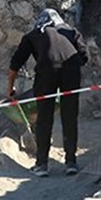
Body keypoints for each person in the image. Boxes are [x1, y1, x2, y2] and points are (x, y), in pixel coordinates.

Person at [6, 9, 89, 177]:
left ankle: (42, 165)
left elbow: (15, 63)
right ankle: (71, 163)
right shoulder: (70, 31)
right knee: (69, 116)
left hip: (46, 73)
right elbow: (85, 56)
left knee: (44, 119)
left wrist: (10, 88)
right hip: (71, 72)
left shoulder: (34, 34)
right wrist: (69, 66)